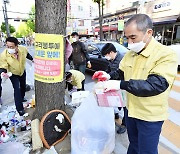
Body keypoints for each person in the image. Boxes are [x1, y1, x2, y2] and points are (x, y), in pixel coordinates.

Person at [93, 14, 178, 154]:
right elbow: (121, 73)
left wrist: (120, 84)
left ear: (148, 32)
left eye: (133, 37)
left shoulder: (165, 54)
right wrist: (108, 76)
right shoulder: (130, 54)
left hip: (149, 116)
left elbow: (156, 85)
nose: (130, 42)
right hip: (130, 111)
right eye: (127, 38)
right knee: (133, 146)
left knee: (147, 151)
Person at [0, 37, 34, 116]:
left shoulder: (22, 49)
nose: (9, 48)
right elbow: (3, 66)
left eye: (11, 47)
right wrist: (3, 72)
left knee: (23, 86)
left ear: (17, 46)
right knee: (17, 88)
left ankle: (22, 98)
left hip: (22, 71)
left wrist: (32, 59)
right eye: (7, 46)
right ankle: (20, 108)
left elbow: (27, 55)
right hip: (13, 74)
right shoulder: (4, 55)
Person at [101, 43, 126, 134]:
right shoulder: (111, 59)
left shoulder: (122, 59)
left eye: (106, 55)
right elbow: (109, 70)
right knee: (114, 101)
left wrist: (108, 76)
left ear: (111, 52)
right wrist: (104, 74)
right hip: (114, 84)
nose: (105, 57)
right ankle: (115, 114)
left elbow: (118, 72)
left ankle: (124, 124)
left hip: (122, 85)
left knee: (124, 106)